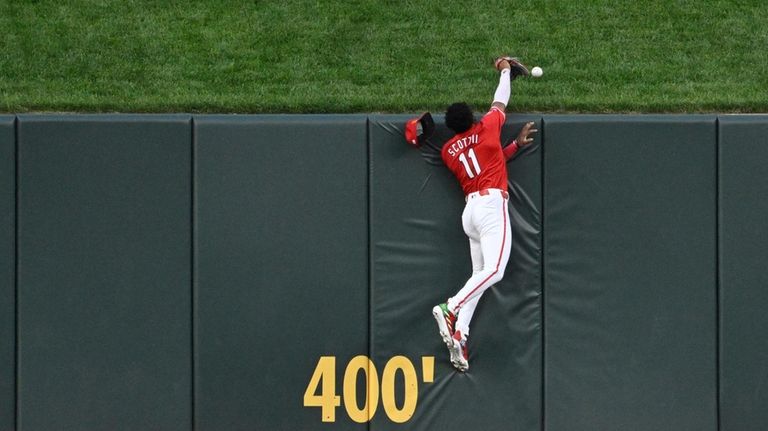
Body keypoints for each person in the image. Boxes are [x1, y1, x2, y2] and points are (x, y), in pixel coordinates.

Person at [431, 56, 538, 372]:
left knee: (480, 275)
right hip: (491, 208)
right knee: (496, 271)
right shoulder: (488, 127)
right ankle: (450, 307)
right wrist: (506, 70)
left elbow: (487, 163)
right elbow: (500, 101)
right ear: (473, 118)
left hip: (470, 214)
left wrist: (514, 146)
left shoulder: (447, 152)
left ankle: (460, 334)